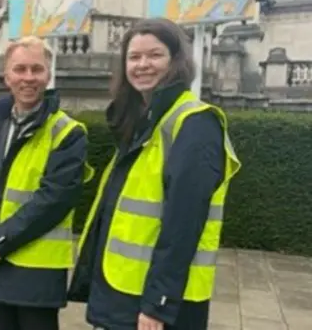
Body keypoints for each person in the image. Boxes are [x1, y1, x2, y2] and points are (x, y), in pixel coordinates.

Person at [68, 18, 241, 330]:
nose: (142, 65)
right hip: (122, 289)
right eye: (134, 57)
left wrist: (158, 304)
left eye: (154, 55)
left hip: (157, 302)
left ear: (177, 61)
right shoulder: (142, 121)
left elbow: (183, 225)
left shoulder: (194, 124)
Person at [0, 35, 93, 330]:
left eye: (37, 69)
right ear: (6, 76)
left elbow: (55, 200)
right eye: (20, 69)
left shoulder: (67, 132)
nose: (28, 78)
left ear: (49, 75)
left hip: (36, 272)